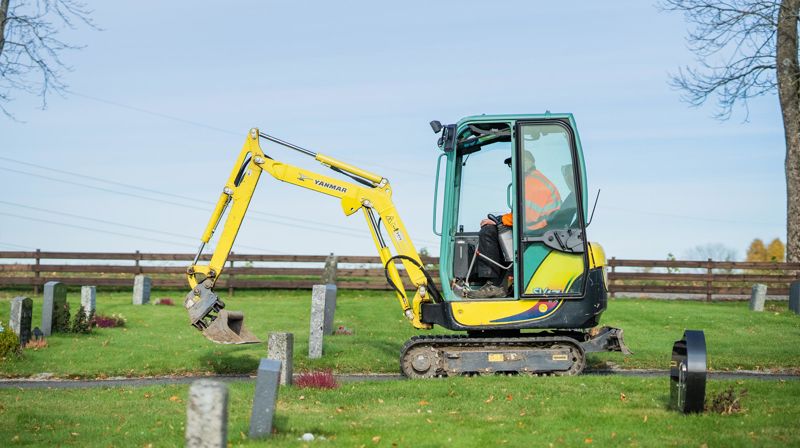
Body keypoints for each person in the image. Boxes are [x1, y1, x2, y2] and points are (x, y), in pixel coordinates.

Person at [466, 151, 562, 299]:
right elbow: (522, 214)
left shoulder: (534, 183)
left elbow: (527, 217)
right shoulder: (532, 181)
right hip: (537, 230)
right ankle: (500, 284)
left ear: (528, 162)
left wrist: (499, 221)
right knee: (497, 229)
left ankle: (493, 285)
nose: (513, 167)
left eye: (515, 163)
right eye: (511, 165)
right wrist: (500, 219)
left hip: (538, 233)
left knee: (488, 231)